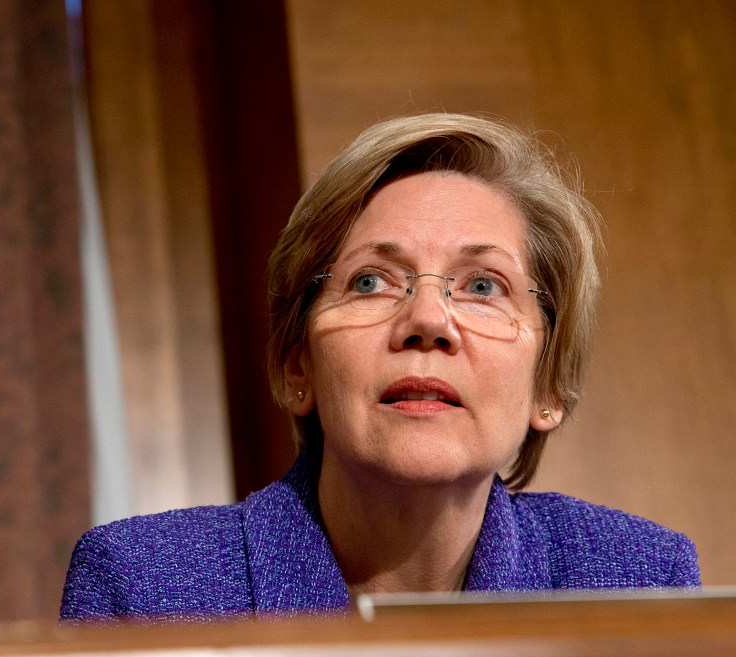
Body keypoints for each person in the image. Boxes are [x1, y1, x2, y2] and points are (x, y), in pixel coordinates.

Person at [60, 113, 700, 622]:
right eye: (370, 281)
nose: (428, 319)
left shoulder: (635, 580)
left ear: (549, 382)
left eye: (483, 287)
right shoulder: (143, 587)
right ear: (296, 365)